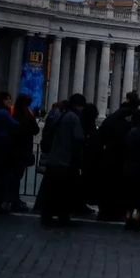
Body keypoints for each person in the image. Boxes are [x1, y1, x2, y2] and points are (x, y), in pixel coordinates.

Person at [37, 93, 87, 226]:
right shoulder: (73, 118)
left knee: (52, 190)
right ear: (79, 106)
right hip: (65, 160)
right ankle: (63, 216)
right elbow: (78, 138)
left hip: (54, 158)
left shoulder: (60, 115)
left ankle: (47, 215)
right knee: (64, 191)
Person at [96, 91, 140, 221]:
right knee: (122, 186)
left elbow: (102, 132)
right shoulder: (136, 115)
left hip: (110, 154)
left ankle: (105, 210)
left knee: (108, 184)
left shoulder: (116, 115)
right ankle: (120, 211)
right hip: (126, 156)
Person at [8, 94, 39, 213]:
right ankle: (14, 200)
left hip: (14, 149)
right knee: (17, 175)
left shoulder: (13, 112)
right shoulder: (27, 114)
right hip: (23, 149)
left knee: (13, 176)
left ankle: (12, 199)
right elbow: (35, 129)